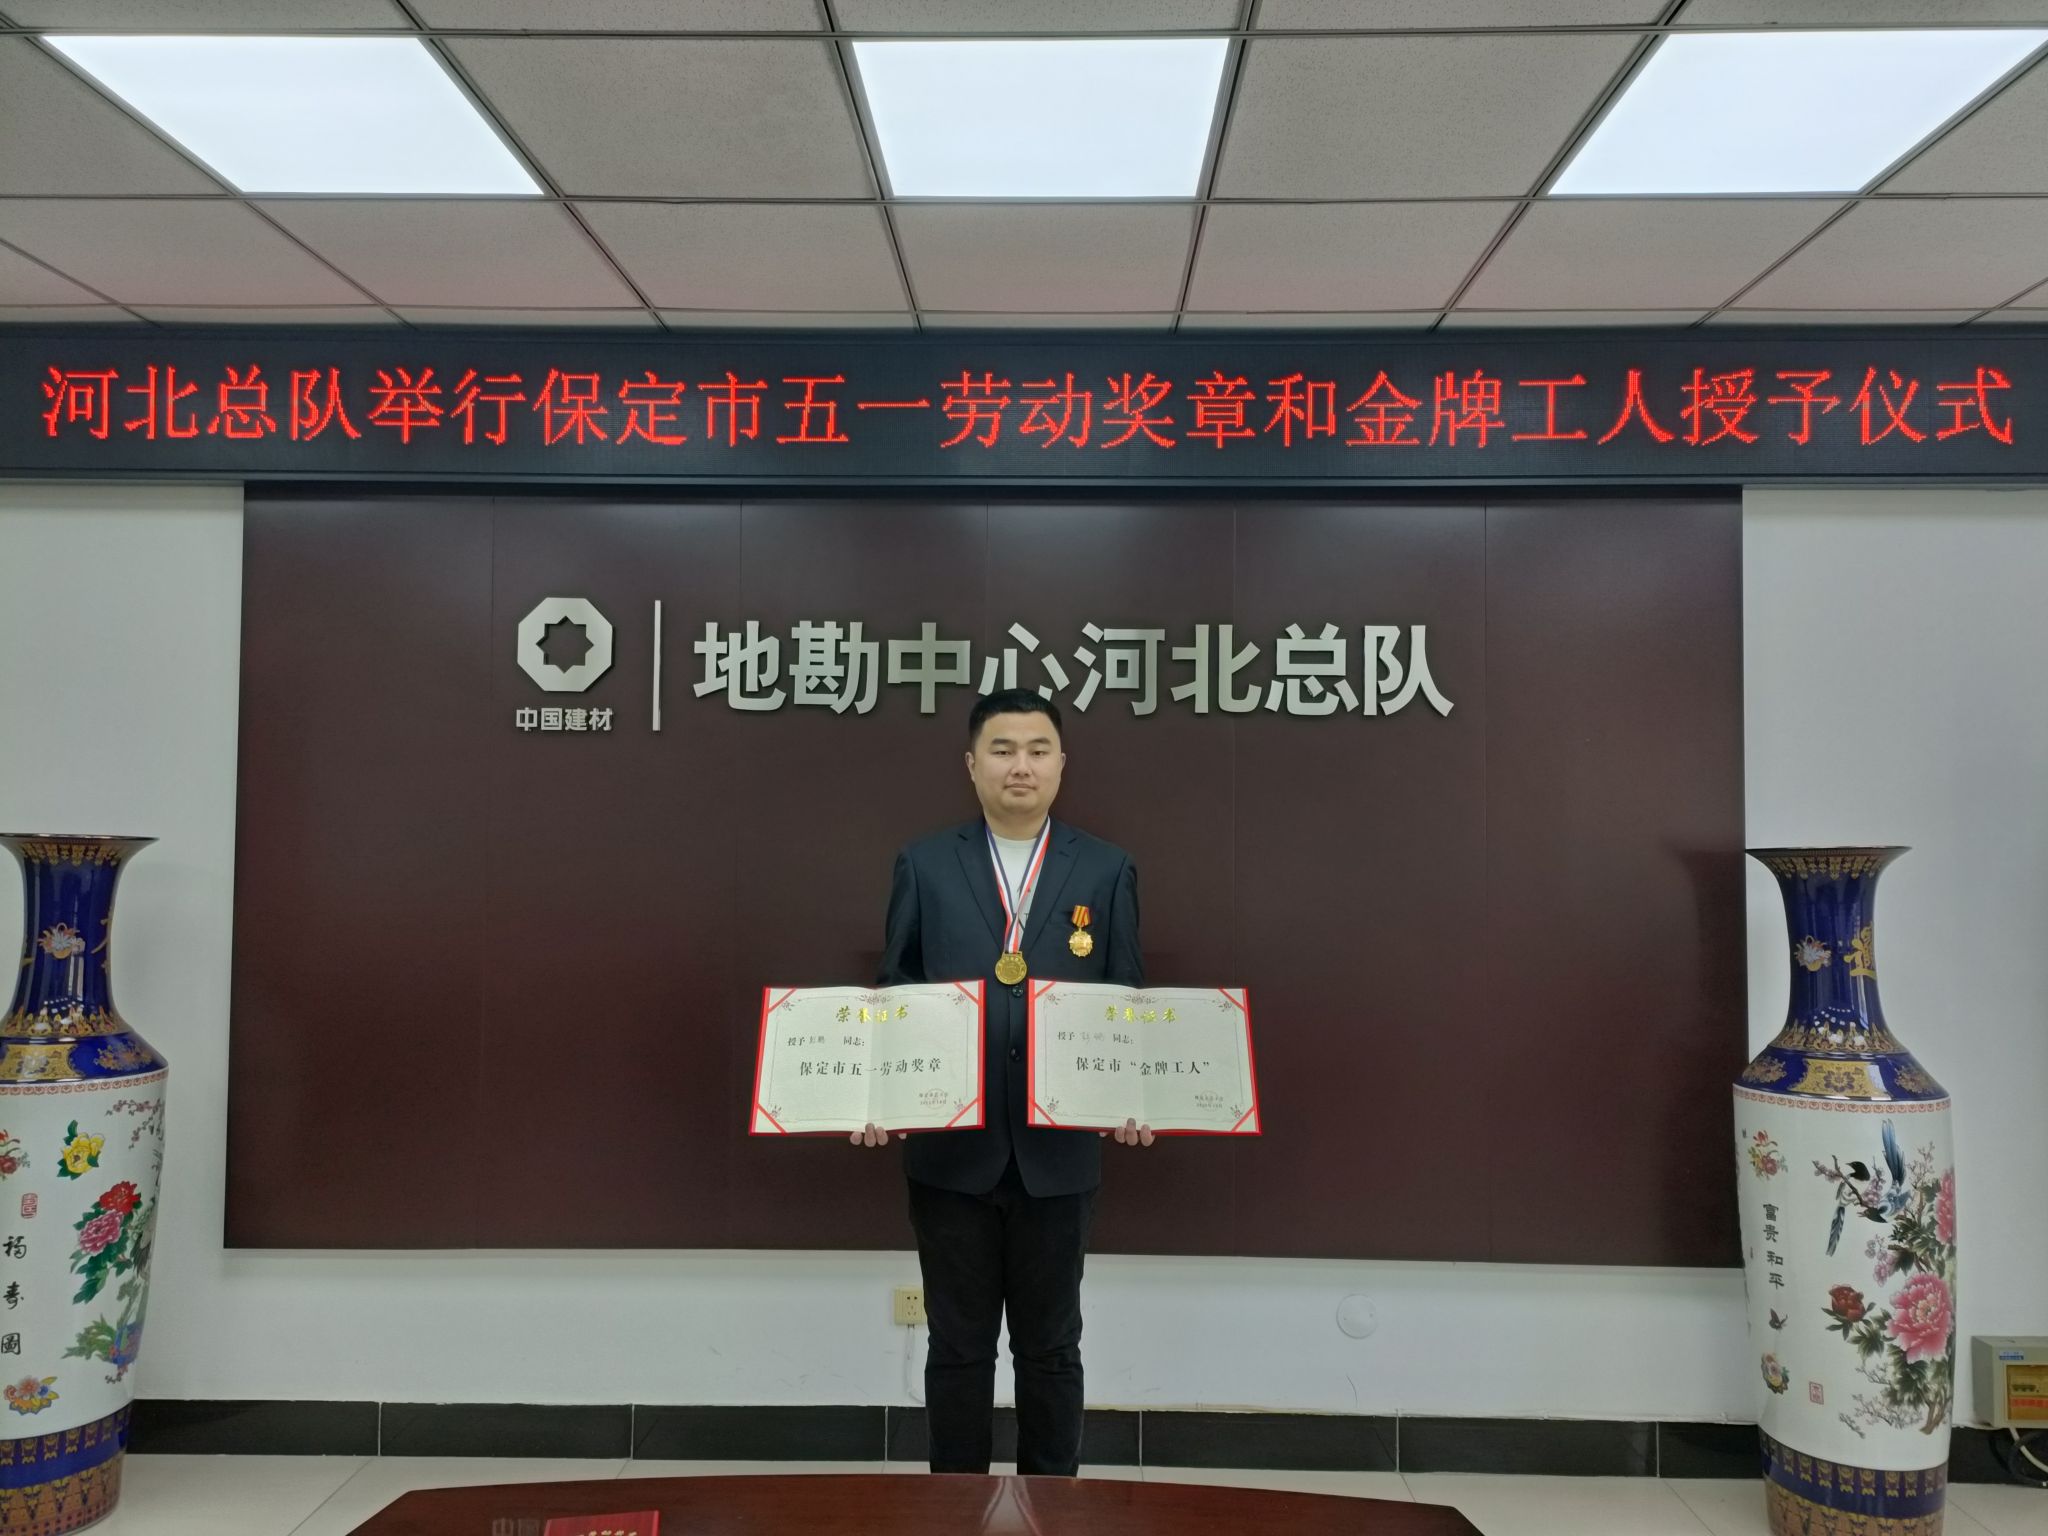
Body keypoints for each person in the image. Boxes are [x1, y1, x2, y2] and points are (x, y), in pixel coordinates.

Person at [860, 688, 1150, 1477]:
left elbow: (1124, 998)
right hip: (951, 1150)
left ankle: (1052, 1508)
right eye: (1002, 749)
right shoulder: (925, 863)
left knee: (1051, 1347)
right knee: (958, 1347)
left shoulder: (1105, 867)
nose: (1020, 765)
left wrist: (1133, 1098)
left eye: (1036, 749)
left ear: (1060, 763)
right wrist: (880, 1095)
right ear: (971, 764)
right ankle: (954, 1508)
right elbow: (897, 990)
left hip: (1059, 1153)